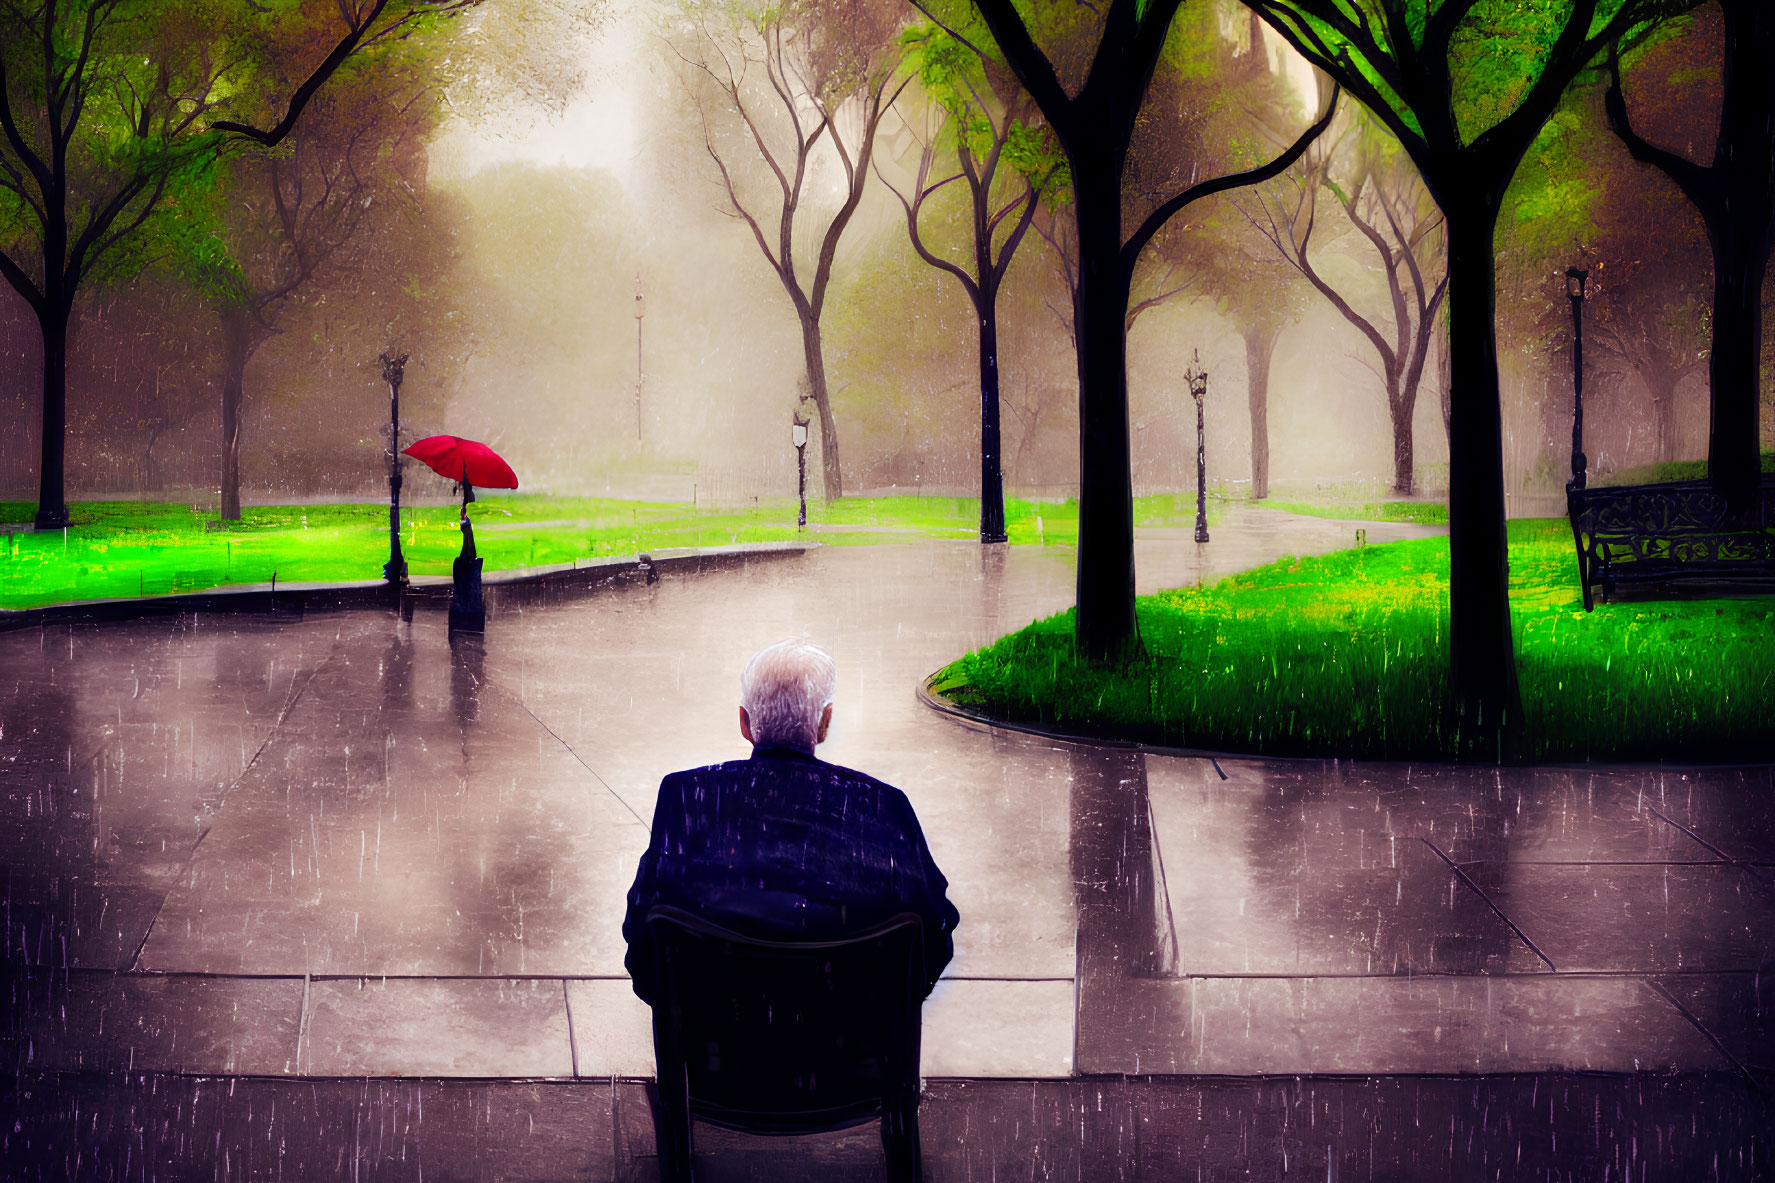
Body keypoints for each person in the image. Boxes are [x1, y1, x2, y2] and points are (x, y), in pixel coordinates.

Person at [622, 639, 959, 1003]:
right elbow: (934, 937)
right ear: (825, 722)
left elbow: (643, 945)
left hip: (716, 1053)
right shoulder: (883, 806)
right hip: (850, 1053)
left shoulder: (686, 798)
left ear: (744, 722)